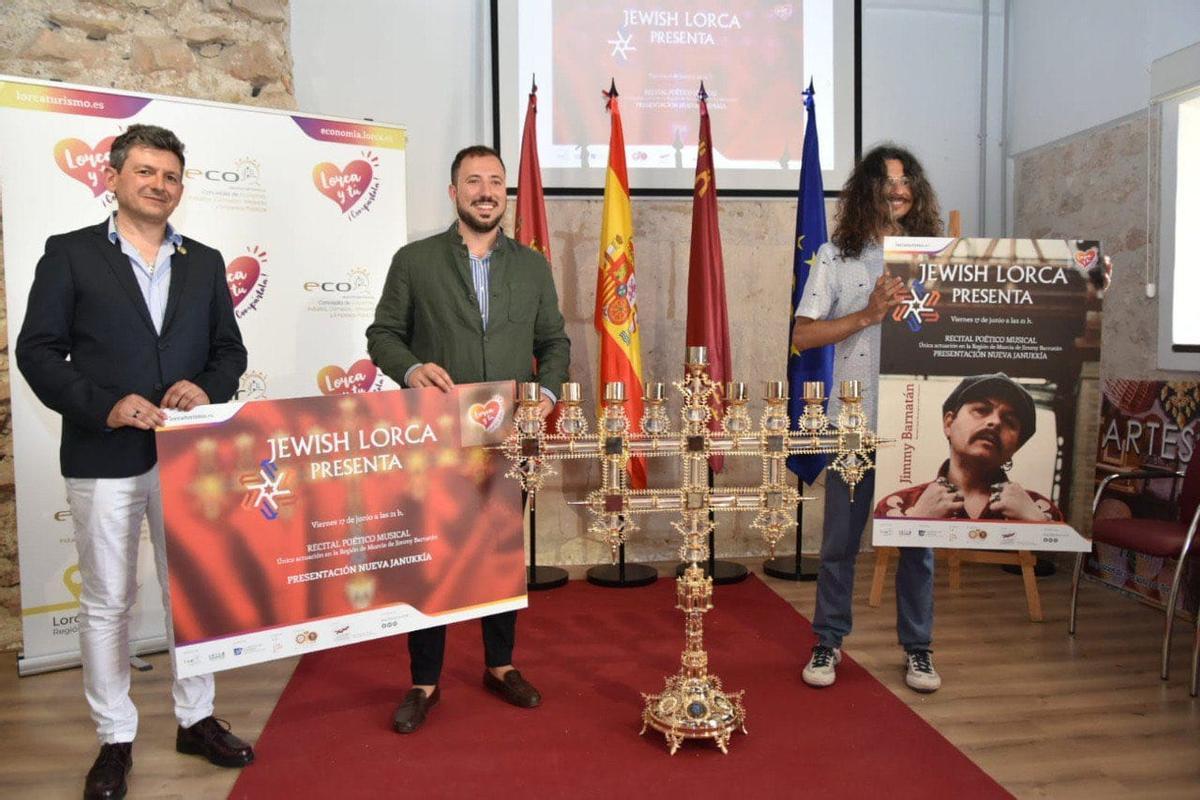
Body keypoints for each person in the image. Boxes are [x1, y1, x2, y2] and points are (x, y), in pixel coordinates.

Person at [15, 124, 252, 800]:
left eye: (170, 175)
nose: (158, 184)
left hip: (188, 458)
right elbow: (37, 351)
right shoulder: (70, 255)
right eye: (145, 171)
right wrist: (103, 405)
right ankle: (115, 737)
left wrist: (206, 386)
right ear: (114, 178)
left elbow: (229, 353)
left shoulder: (205, 262)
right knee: (107, 601)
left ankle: (195, 718)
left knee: (195, 594)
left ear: (181, 186)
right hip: (103, 450)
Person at [366, 145, 570, 733]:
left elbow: (554, 342)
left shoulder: (531, 266)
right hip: (434, 433)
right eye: (473, 181)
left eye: (496, 183)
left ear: (505, 194)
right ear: (452, 192)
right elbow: (382, 333)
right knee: (431, 555)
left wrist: (545, 397)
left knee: (500, 553)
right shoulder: (415, 261)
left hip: (511, 432)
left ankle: (500, 666)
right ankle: (424, 682)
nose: (486, 191)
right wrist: (409, 368)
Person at [791, 144, 945, 693]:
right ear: (867, 192)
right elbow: (802, 335)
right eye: (886, 182)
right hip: (852, 426)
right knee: (839, 543)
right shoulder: (837, 255)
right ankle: (828, 641)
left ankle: (919, 650)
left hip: (915, 426)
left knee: (916, 544)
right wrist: (868, 314)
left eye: (906, 181)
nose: (897, 191)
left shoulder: (936, 258)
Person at [875, 373, 1064, 522]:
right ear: (949, 423)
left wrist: (1038, 524)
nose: (995, 422)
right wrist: (917, 520)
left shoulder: (1041, 510)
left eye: (1009, 421)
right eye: (982, 410)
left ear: (1016, 446)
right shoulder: (897, 506)